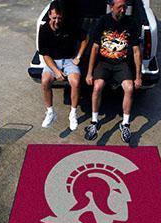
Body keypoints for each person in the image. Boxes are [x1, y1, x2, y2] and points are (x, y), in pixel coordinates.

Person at [84, 0, 142, 143]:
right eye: (120, 7)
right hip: (104, 62)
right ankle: (94, 122)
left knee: (129, 88)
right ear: (111, 7)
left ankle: (126, 124)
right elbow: (95, 48)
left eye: (125, 7)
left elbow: (136, 51)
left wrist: (138, 77)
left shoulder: (131, 23)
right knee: (97, 87)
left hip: (122, 63)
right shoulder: (102, 21)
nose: (123, 10)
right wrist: (89, 72)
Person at [39, 1, 88, 130]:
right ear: (49, 15)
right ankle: (50, 113)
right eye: (54, 18)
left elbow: (85, 38)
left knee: (76, 82)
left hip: (68, 60)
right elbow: (45, 55)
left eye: (59, 18)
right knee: (45, 81)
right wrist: (56, 71)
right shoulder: (44, 30)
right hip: (52, 61)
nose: (57, 21)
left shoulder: (69, 24)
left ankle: (73, 114)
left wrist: (78, 56)